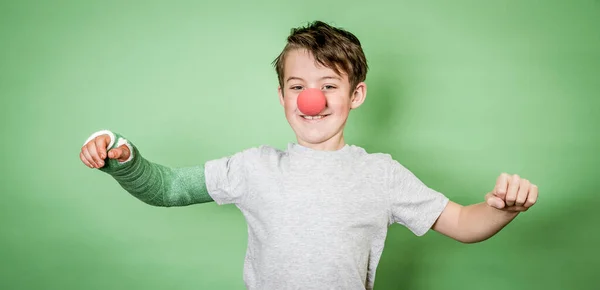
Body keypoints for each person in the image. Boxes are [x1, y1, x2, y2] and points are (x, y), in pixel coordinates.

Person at [79, 20, 539, 290]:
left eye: (328, 86)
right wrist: (124, 158)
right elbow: (168, 188)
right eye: (297, 87)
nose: (310, 100)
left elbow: (461, 223)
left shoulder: (381, 174)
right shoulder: (253, 167)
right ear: (282, 95)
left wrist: (503, 210)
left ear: (356, 95)